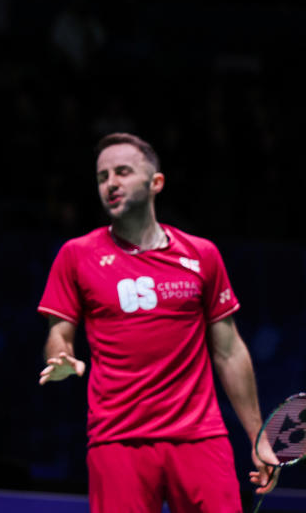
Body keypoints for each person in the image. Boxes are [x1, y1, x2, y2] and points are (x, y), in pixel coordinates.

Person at [36, 132, 278, 512]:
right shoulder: (76, 255)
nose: (110, 183)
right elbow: (59, 333)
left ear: (156, 183)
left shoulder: (202, 255)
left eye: (122, 172)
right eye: (102, 177)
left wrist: (257, 436)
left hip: (199, 438)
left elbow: (229, 352)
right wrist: (61, 358)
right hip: (117, 440)